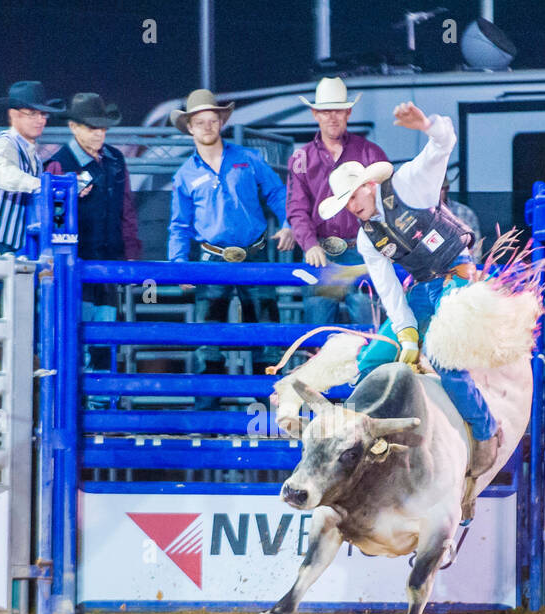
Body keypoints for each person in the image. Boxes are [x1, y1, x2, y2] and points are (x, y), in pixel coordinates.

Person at [318, 101, 498, 519]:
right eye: (343, 202)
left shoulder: (410, 186)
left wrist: (426, 125)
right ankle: (366, 438)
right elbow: (388, 290)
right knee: (373, 358)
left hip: (458, 278)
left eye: (351, 197)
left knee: (445, 362)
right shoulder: (367, 238)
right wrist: (405, 332)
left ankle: (486, 434)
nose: (350, 207)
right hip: (422, 289)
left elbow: (444, 142)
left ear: (367, 186)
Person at [167, 89, 294, 393]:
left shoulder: (249, 159)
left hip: (255, 254)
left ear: (221, 122)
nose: (207, 127)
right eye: (200, 122)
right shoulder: (185, 175)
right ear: (190, 128)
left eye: (213, 120)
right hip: (211, 260)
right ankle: (209, 424)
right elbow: (180, 225)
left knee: (267, 339)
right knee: (208, 343)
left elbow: (277, 192)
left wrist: (291, 223)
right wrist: (179, 264)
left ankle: (273, 418)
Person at [45, 92, 142, 370]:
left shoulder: (114, 160)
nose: (99, 133)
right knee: (76, 340)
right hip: (76, 269)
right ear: (73, 127)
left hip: (107, 267)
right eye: (92, 127)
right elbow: (54, 219)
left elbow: (126, 209)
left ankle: (100, 402)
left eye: (102, 127)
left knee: (103, 343)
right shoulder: (59, 165)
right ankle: (80, 408)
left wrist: (131, 253)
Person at [285, 77, 385, 326]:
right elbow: (297, 208)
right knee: (318, 332)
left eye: (338, 110)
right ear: (315, 114)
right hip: (320, 252)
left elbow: (386, 202)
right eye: (325, 111)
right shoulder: (301, 158)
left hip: (361, 249)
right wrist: (309, 245)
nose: (332, 117)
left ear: (348, 112)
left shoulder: (370, 153)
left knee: (369, 329)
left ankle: (370, 365)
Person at [0, 81, 64, 256]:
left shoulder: (32, 153)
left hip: (12, 246)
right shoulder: (4, 144)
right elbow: (0, 173)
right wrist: (41, 185)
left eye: (43, 114)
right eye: (32, 114)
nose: (40, 120)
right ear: (13, 115)